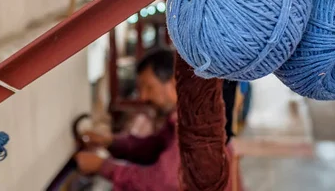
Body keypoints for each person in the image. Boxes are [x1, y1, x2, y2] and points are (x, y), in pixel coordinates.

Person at [75, 47, 242, 190]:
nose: (143, 97)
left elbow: (165, 182)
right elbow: (152, 146)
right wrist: (110, 142)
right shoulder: (181, 118)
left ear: (173, 82)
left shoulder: (193, 124)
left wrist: (103, 166)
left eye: (149, 87)